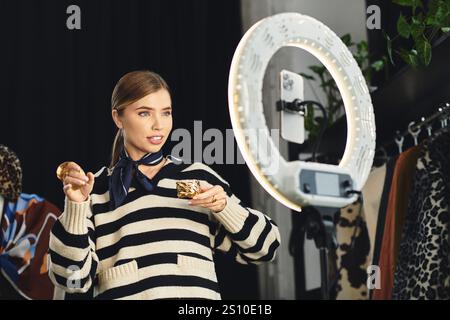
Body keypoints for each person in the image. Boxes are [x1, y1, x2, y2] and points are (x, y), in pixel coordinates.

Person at [47, 70, 280, 300]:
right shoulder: (96, 190)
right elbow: (71, 279)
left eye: (166, 113)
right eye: (144, 113)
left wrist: (225, 207)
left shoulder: (192, 181)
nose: (159, 125)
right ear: (118, 118)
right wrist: (76, 207)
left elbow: (267, 248)